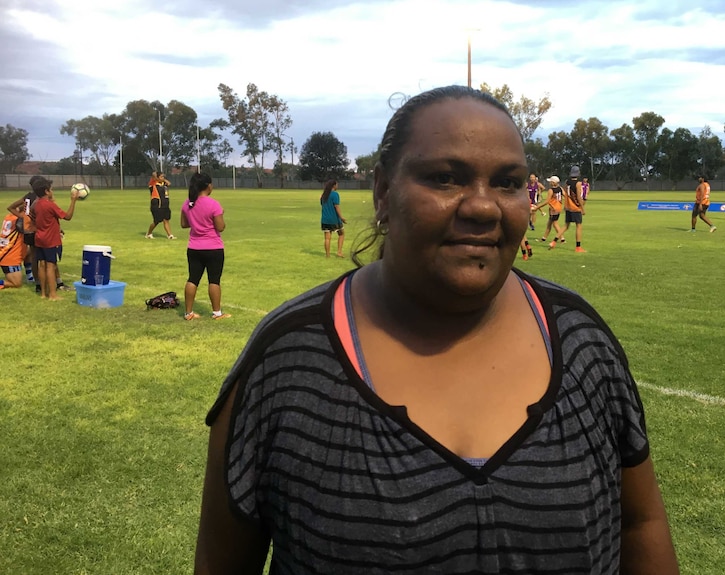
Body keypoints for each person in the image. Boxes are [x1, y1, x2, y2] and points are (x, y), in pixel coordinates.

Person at [194, 85, 678, 574]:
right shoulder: (287, 360)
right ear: (383, 190)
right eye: (446, 179)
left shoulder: (582, 341)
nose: (484, 207)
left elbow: (640, 523)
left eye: (508, 183)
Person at [180, 172, 230, 321]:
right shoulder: (213, 204)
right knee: (214, 280)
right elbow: (220, 227)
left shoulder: (188, 203)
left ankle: (188, 313)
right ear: (208, 186)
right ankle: (217, 313)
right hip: (213, 248)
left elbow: (184, 224)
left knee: (193, 279)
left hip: (194, 248)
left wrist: (197, 221)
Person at [33, 179, 78, 300]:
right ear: (47, 191)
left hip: (39, 238)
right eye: (51, 189)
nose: (52, 191)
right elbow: (67, 216)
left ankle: (43, 293)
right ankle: (53, 294)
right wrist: (73, 201)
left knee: (41, 265)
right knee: (50, 266)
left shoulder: (36, 204)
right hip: (50, 240)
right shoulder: (50, 205)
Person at [559, 165, 586, 252]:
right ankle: (578, 247)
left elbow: (565, 193)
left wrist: (565, 205)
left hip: (568, 207)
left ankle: (554, 241)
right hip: (575, 207)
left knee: (566, 225)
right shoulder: (578, 183)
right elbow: (578, 196)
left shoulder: (567, 182)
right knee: (578, 226)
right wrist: (582, 208)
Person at [532, 175, 565, 248]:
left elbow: (547, 201)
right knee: (549, 224)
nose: (549, 183)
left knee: (555, 224)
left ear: (553, 182)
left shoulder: (551, 190)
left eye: (551, 182)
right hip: (558, 208)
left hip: (554, 209)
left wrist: (537, 207)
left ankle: (562, 238)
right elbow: (565, 195)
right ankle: (544, 238)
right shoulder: (560, 188)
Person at [320, 179, 347, 258]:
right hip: (334, 219)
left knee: (327, 238)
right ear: (334, 185)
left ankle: (327, 255)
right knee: (341, 234)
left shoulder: (323, 195)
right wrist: (341, 217)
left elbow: (322, 205)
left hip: (325, 219)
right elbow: (336, 207)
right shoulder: (335, 194)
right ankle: (339, 252)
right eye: (337, 184)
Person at [146, 171, 176, 239]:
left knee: (166, 220)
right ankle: (149, 233)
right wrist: (156, 177)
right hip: (157, 206)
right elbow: (153, 176)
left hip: (165, 205)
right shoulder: (153, 185)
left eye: (163, 176)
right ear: (157, 178)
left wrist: (163, 179)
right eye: (161, 176)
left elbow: (169, 183)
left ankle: (170, 235)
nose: (163, 178)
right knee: (156, 221)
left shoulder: (164, 184)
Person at [0, 212, 26, 289]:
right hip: (10, 255)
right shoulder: (20, 219)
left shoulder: (10, 216)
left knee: (29, 250)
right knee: (16, 283)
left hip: (5, 249)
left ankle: (30, 277)